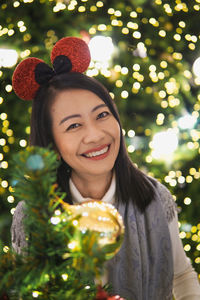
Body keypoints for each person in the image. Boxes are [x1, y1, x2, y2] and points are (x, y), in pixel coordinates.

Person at [11, 37, 200, 300]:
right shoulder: (34, 216)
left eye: (102, 115)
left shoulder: (155, 198)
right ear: (51, 142)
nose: (95, 135)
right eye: (73, 126)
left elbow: (181, 276)